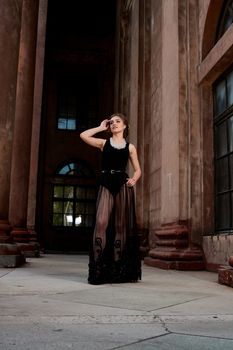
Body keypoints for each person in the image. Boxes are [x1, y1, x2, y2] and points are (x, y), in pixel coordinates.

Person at [80, 113, 142, 284]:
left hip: (122, 184)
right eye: (112, 122)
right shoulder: (103, 143)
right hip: (106, 182)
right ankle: (98, 269)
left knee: (121, 226)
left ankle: (118, 270)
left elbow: (138, 170)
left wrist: (134, 180)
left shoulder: (130, 147)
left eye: (118, 121)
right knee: (101, 223)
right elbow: (83, 135)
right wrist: (101, 128)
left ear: (124, 126)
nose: (114, 124)